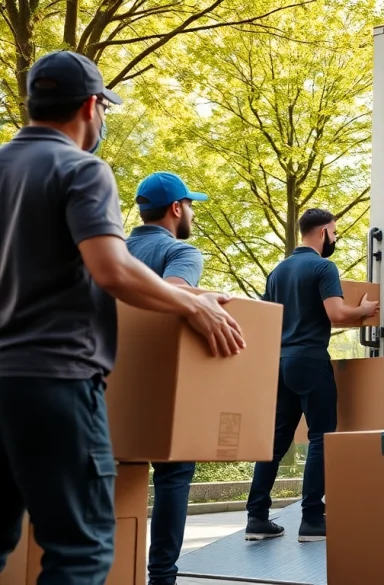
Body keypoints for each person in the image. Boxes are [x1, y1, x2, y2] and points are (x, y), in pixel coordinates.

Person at [0, 51, 244, 584]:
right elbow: (111, 269)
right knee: (80, 551)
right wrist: (194, 303)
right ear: (91, 106)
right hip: (55, 380)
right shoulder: (81, 169)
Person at [245, 208, 378, 543]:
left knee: (275, 442)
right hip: (310, 359)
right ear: (322, 232)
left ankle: (257, 518)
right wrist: (363, 311)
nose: (335, 238)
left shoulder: (277, 272)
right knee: (321, 437)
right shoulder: (322, 266)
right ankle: (312, 520)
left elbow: (267, 319)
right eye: (334, 232)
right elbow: (336, 313)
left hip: (281, 362)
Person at [124, 171, 210, 585]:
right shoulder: (182, 253)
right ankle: (162, 577)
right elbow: (175, 296)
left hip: (105, 381)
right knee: (174, 474)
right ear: (176, 208)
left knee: (117, 477)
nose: (191, 212)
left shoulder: (114, 250)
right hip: (160, 383)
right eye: (190, 204)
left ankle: (114, 569)